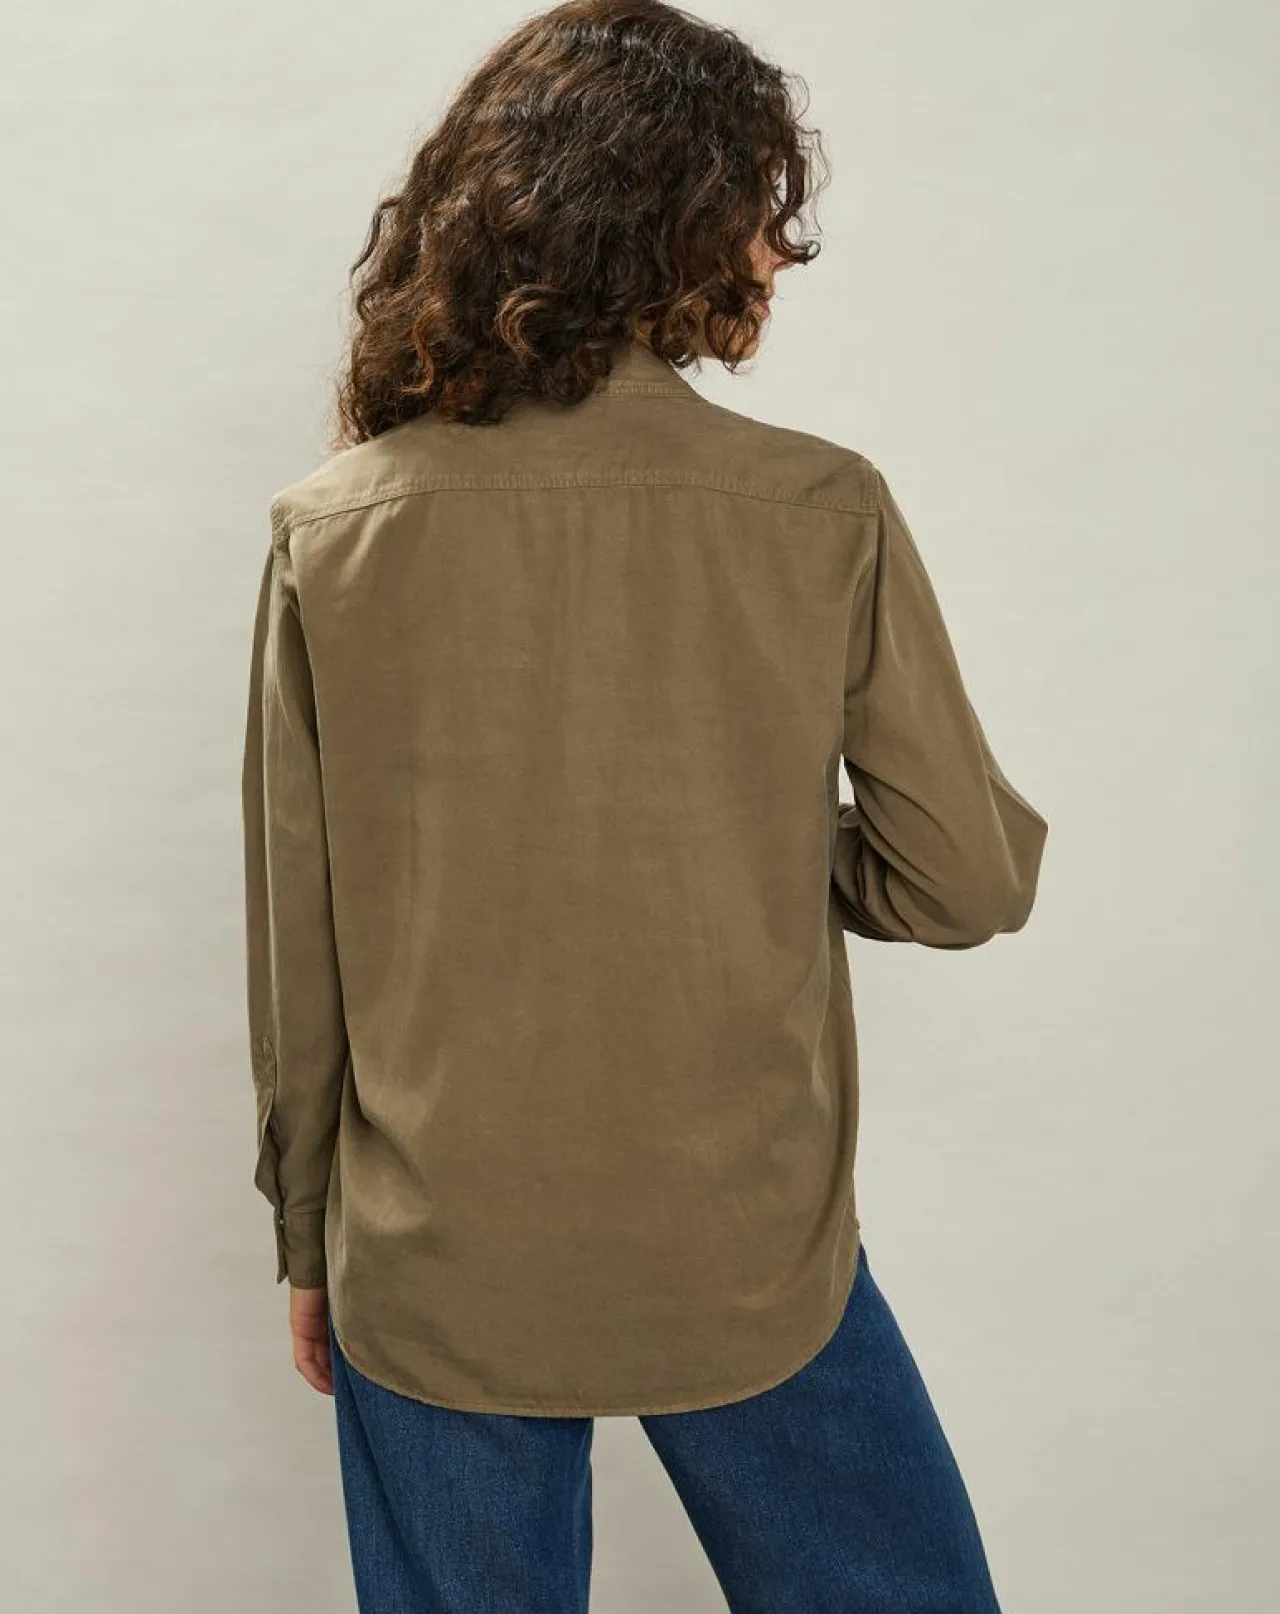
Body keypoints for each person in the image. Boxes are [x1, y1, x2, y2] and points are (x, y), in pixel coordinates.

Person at [240, 1, 1049, 1608]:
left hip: (437, 1250)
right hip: (746, 1243)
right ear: (678, 220)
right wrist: (752, 838)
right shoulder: (820, 507)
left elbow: (301, 944)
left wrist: (307, 1233)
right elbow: (964, 878)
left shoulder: (332, 527)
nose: (774, 251)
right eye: (757, 208)